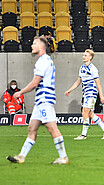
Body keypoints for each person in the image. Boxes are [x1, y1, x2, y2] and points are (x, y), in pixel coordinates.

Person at [6, 36, 69, 164]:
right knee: (32, 128)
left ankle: (63, 157)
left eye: (34, 43)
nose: (31, 46)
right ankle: (21, 156)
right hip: (40, 101)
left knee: (52, 128)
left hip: (45, 99)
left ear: (41, 46)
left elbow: (35, 83)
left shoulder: (43, 61)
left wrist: (21, 92)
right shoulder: (45, 60)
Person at [65, 49, 104, 140]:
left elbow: (98, 83)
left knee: (84, 112)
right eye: (83, 55)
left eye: (86, 55)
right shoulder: (82, 68)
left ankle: (83, 135)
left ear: (90, 57)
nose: (83, 56)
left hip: (91, 93)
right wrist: (70, 90)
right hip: (85, 93)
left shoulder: (93, 69)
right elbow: (78, 81)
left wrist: (101, 95)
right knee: (91, 114)